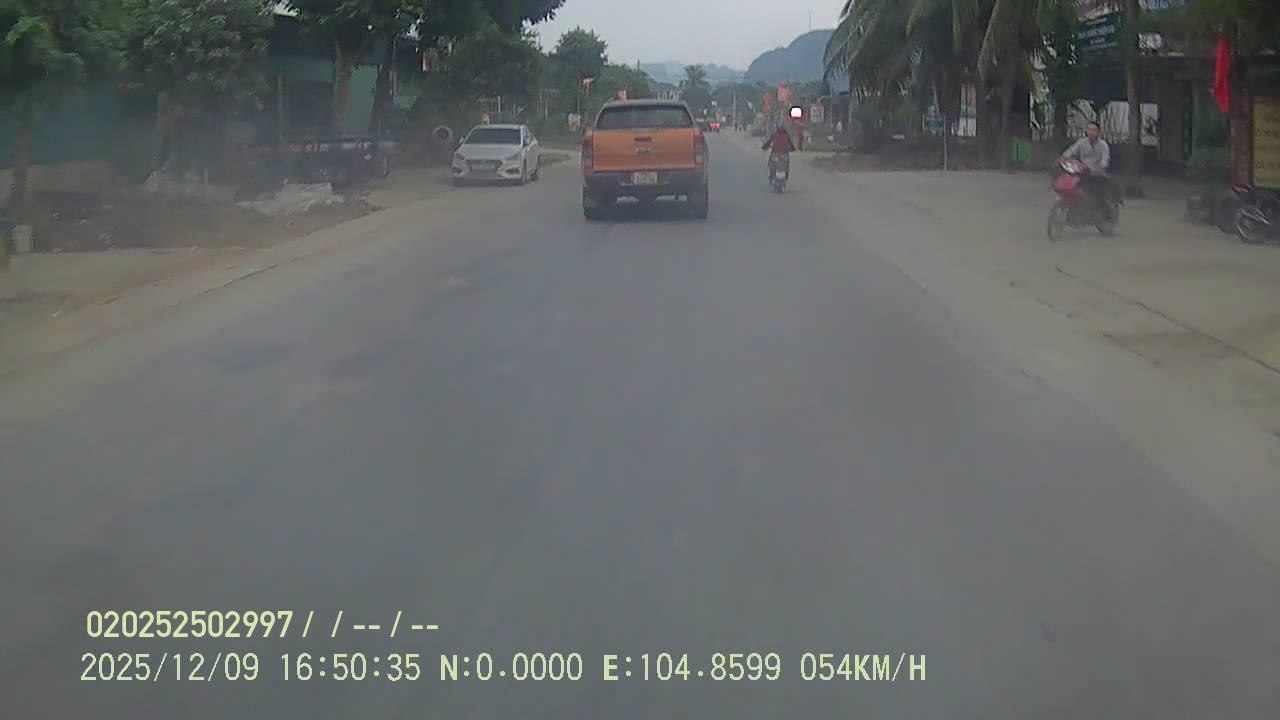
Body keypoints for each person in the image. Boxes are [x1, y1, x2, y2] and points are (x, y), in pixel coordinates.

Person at [1061, 121, 1114, 218]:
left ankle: (1103, 213)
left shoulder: (1103, 145)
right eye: (1089, 130)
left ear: (1098, 132)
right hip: (1082, 171)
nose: (1091, 132)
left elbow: (1105, 160)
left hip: (1097, 174)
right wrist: (1064, 157)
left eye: (1094, 130)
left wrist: (1098, 167)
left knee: (1098, 192)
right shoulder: (1082, 142)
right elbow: (1071, 151)